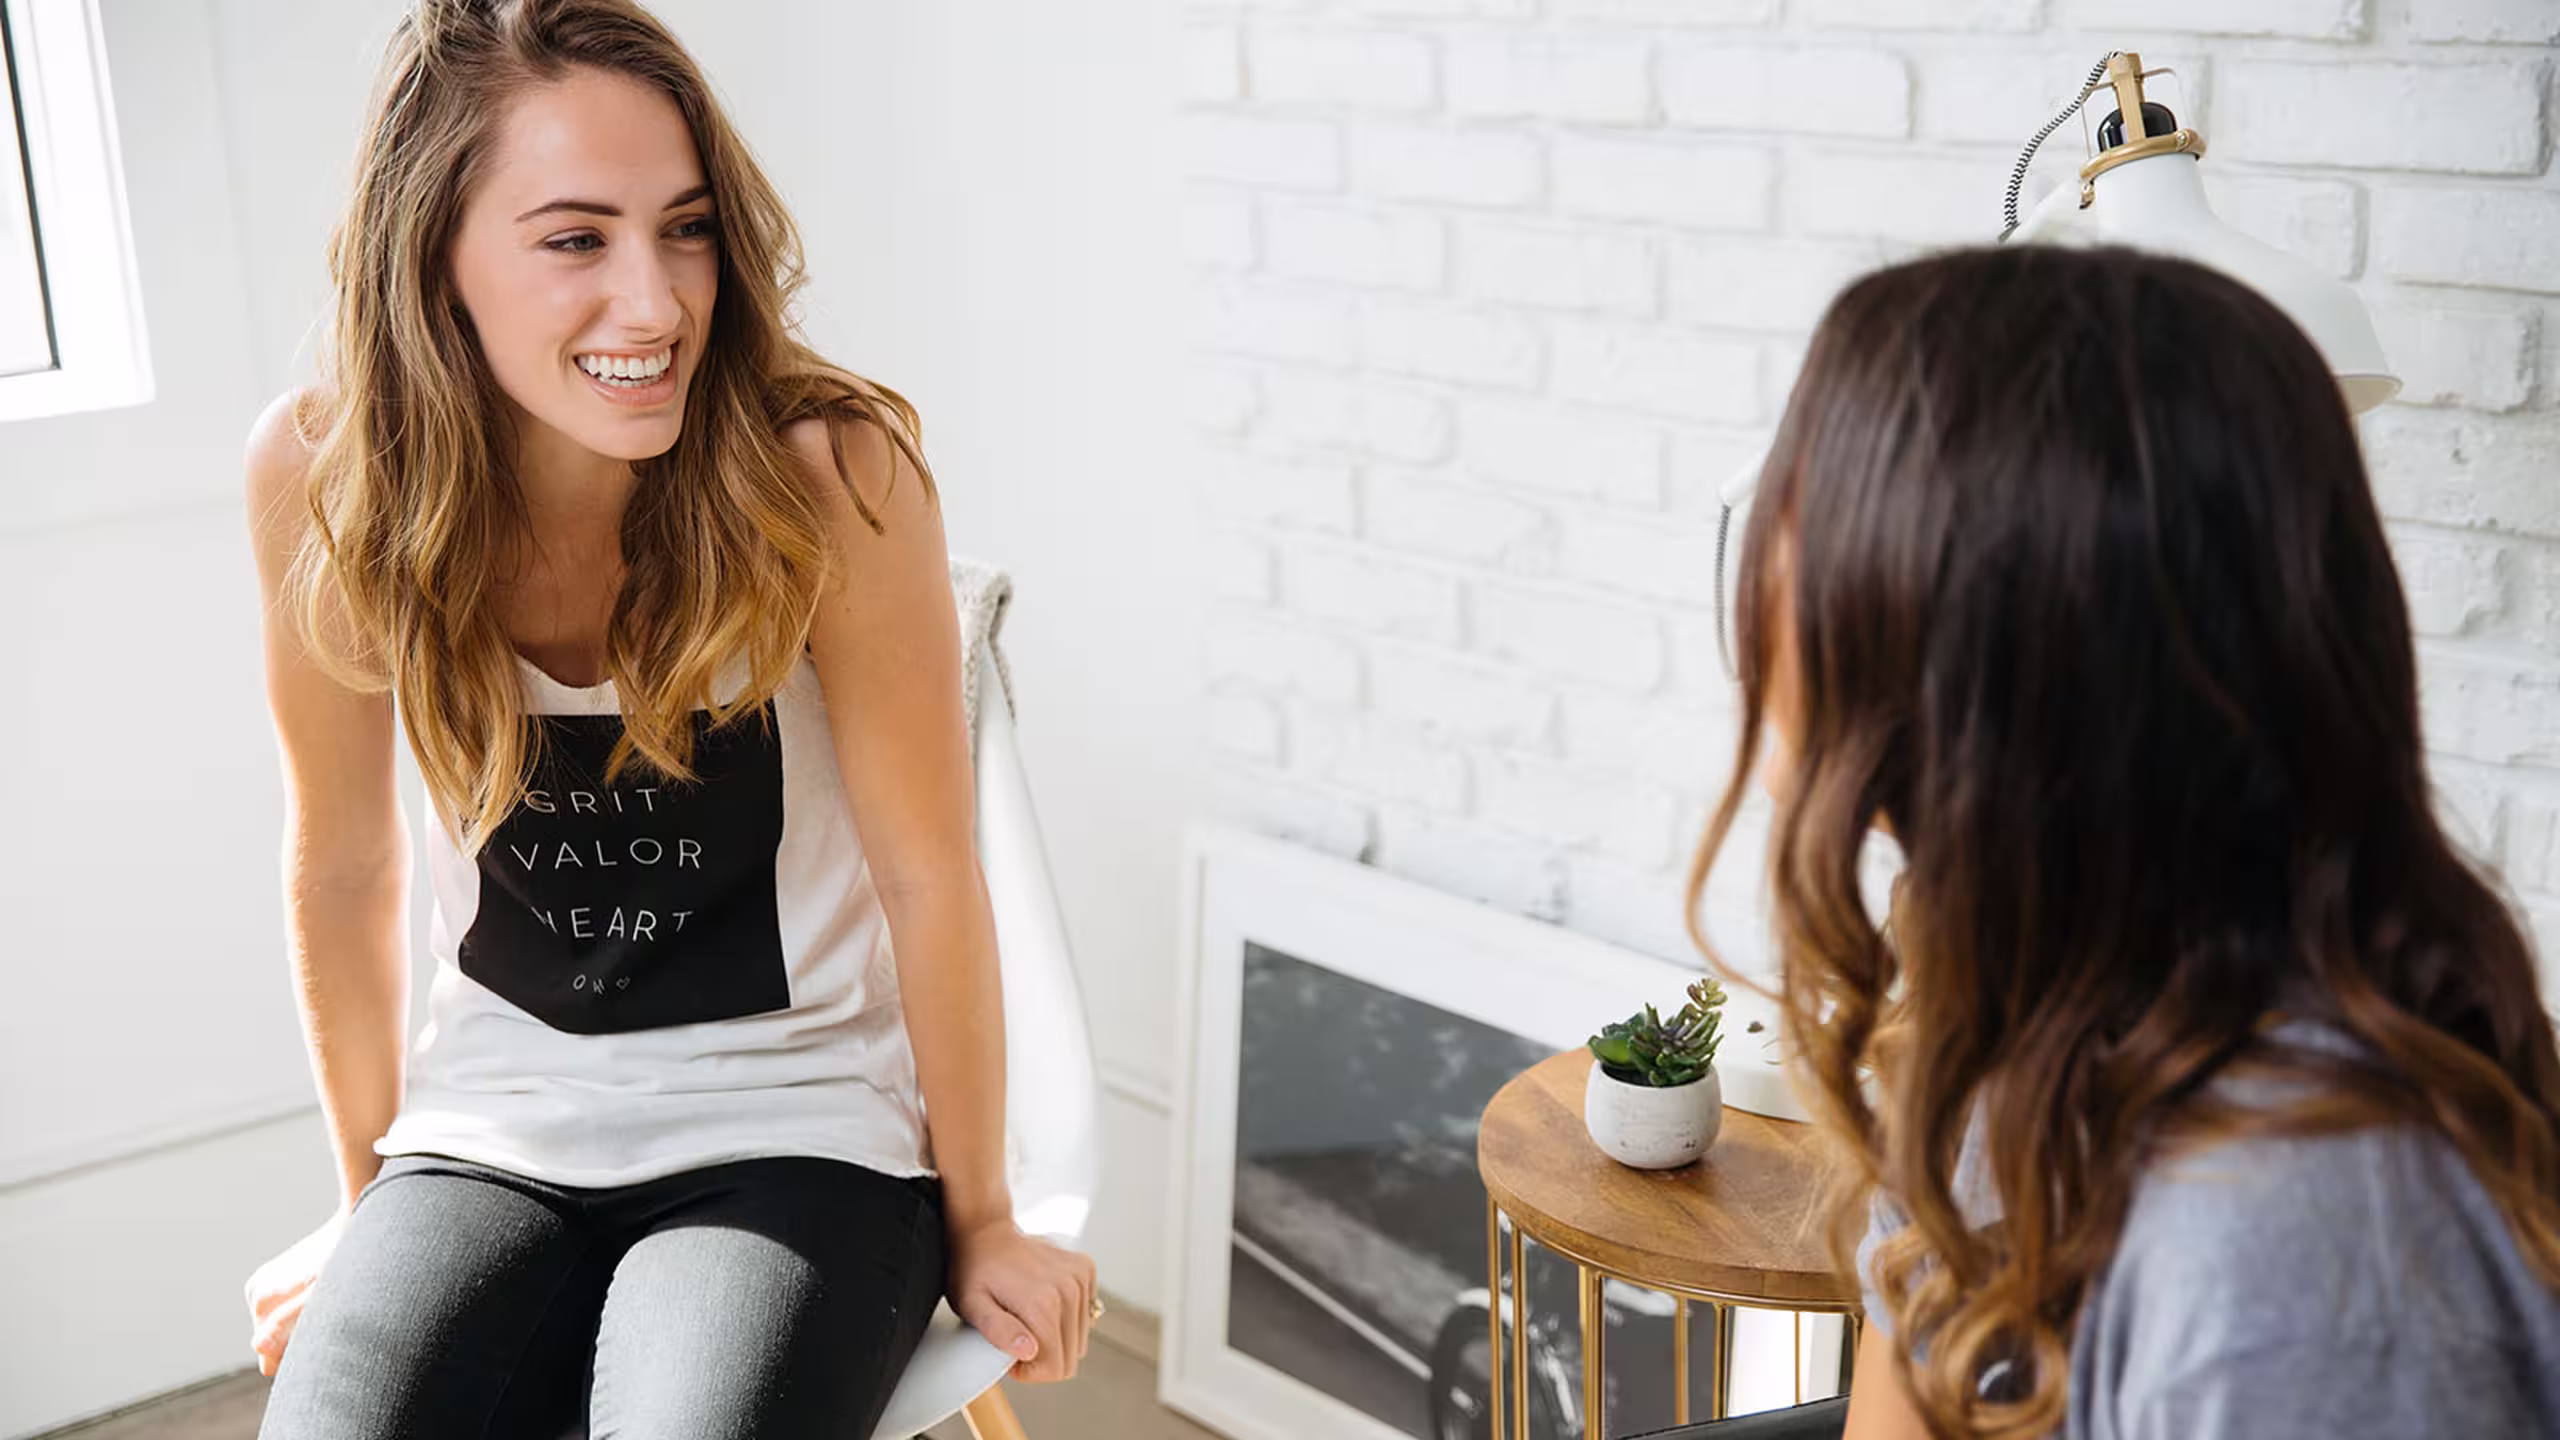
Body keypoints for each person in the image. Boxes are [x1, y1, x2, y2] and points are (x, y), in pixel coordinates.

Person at [238, 2, 1094, 1434]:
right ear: (434, 253)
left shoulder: (825, 475)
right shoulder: (328, 473)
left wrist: (986, 1212)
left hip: (799, 1132)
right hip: (486, 1132)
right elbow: (341, 865)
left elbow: (928, 875)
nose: (654, 303)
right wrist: (362, 1200)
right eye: (575, 238)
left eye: (684, 228)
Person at [1673, 245, 2560, 1439]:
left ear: (1973, 616)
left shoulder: (2294, 1262)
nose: (1767, 546)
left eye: (1808, 491)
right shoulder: (2015, 995)